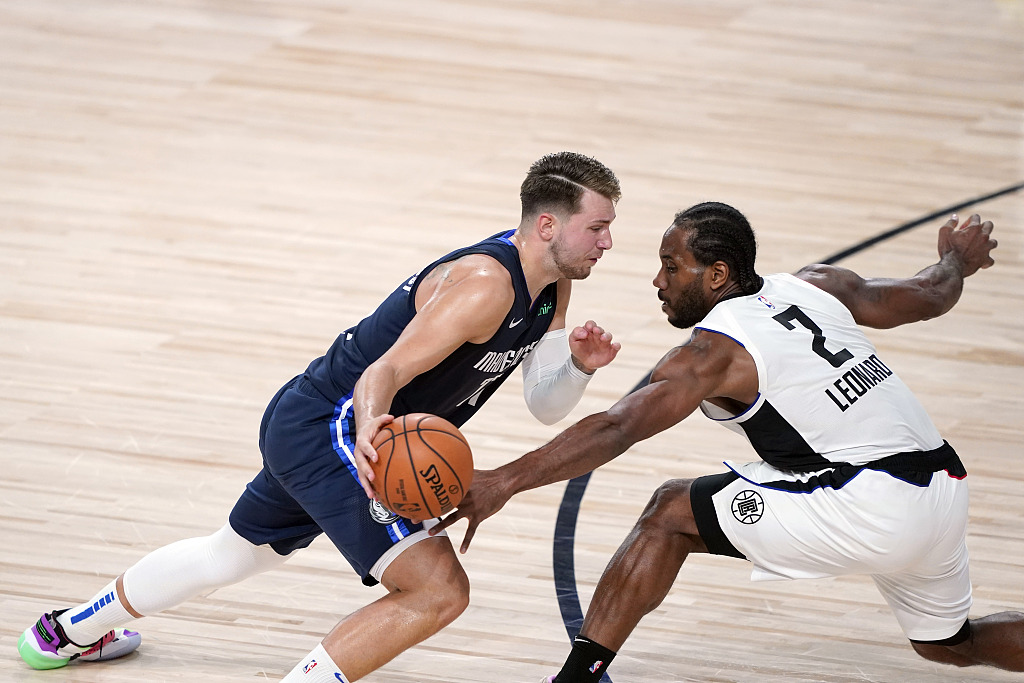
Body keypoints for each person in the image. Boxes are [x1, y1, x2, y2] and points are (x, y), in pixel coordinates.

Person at [17, 151, 624, 682]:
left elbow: (544, 404)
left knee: (231, 556)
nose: (607, 243)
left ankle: (64, 633)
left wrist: (577, 366)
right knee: (438, 590)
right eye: (597, 228)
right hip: (334, 426)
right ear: (548, 225)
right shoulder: (486, 285)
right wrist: (369, 435)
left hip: (311, 422)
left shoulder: (551, 284)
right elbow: (381, 373)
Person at [432, 202, 1024, 681]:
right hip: (945, 488)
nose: (659, 281)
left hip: (873, 503)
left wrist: (503, 480)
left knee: (670, 512)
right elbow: (930, 293)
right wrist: (957, 258)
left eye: (672, 266)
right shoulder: (818, 285)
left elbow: (618, 427)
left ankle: (575, 680)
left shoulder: (713, 353)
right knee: (951, 642)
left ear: (717, 275)